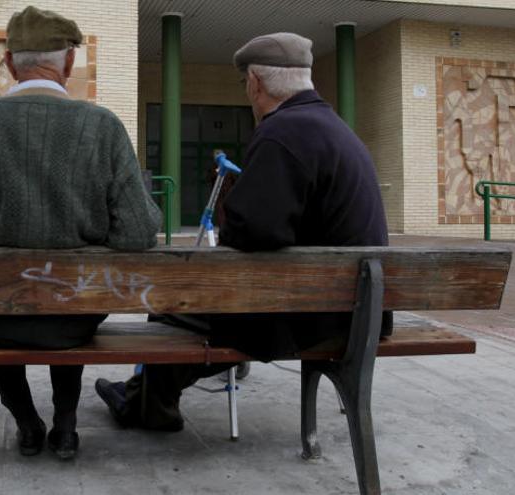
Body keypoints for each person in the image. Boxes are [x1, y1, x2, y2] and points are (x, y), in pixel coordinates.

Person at [95, 32, 390, 432]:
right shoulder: (334, 127)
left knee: (172, 308)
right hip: (357, 313)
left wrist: (231, 198)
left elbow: (249, 235)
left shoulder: (281, 132)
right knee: (200, 309)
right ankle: (141, 396)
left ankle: (149, 405)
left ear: (254, 82)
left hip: (309, 319)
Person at [0, 6, 161, 459]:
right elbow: (137, 233)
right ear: (68, 63)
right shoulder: (102, 126)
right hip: (76, 317)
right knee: (67, 297)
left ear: (10, 64)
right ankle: (66, 425)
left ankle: (27, 422)